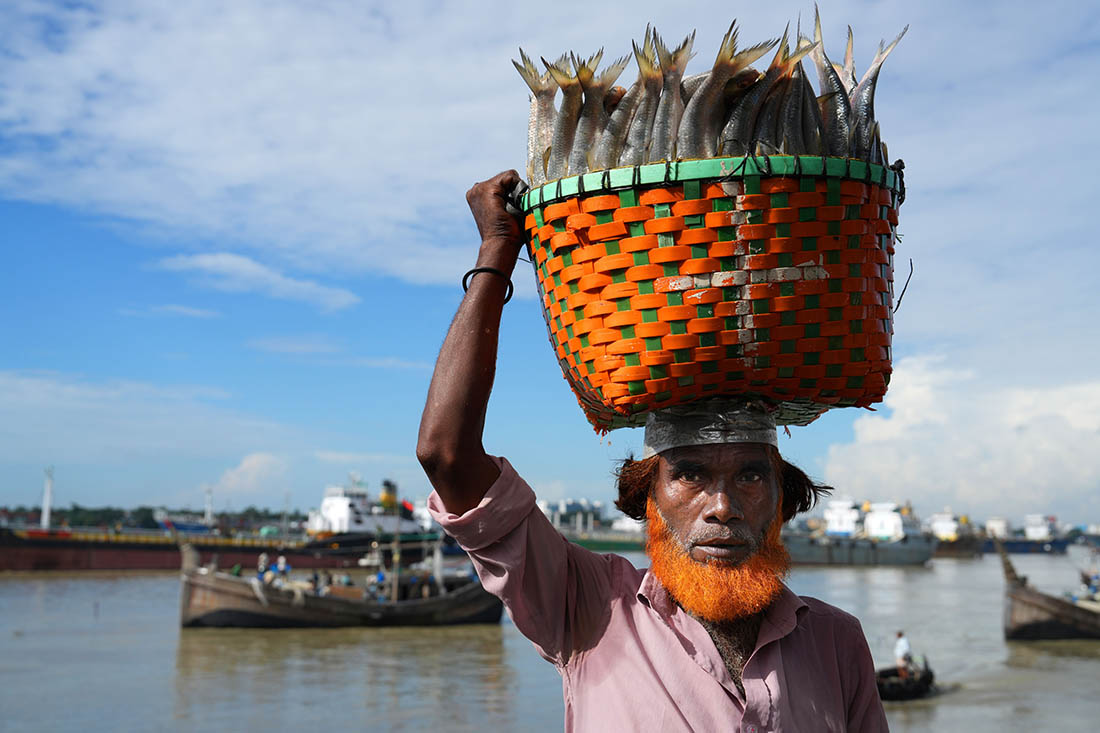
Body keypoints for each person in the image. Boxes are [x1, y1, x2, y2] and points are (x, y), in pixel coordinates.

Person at [417, 170, 889, 732]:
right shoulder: (589, 609)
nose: (722, 507)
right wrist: (498, 248)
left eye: (751, 478)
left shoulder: (837, 641)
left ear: (783, 500)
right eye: (689, 476)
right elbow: (447, 455)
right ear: (649, 500)